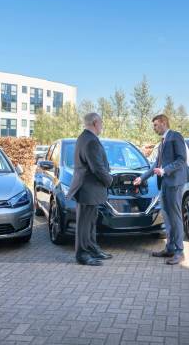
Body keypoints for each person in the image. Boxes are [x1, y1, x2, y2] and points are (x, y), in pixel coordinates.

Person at [134, 114, 189, 265]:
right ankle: (170, 248)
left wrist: (165, 170)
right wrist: (142, 178)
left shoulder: (175, 136)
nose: (154, 128)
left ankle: (179, 252)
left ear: (164, 123)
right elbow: (156, 165)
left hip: (174, 182)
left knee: (175, 217)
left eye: (156, 125)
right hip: (165, 183)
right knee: (166, 216)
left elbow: (181, 160)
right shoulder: (162, 141)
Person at [66, 112, 114, 266]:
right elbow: (97, 168)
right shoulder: (90, 141)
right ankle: (82, 255)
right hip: (88, 189)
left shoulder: (84, 138)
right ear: (95, 123)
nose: (102, 125)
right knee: (84, 224)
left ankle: (93, 249)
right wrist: (110, 180)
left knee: (91, 222)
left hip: (89, 190)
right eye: (101, 122)